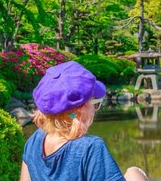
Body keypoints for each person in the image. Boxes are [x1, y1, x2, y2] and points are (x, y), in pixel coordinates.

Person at [20, 61, 148, 181]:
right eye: (95, 103)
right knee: (134, 172)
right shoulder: (90, 147)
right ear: (79, 110)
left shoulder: (35, 140)